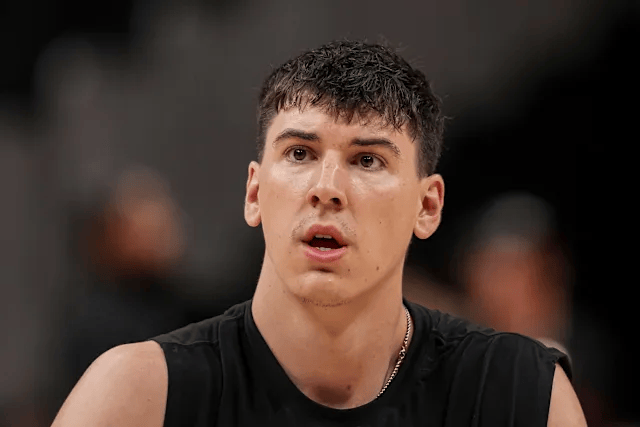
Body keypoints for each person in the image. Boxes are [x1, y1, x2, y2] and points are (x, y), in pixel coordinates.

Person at [51, 40, 586, 426]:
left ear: (427, 207)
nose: (327, 188)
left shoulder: (522, 395)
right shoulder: (137, 396)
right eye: (300, 153)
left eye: (368, 159)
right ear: (254, 193)